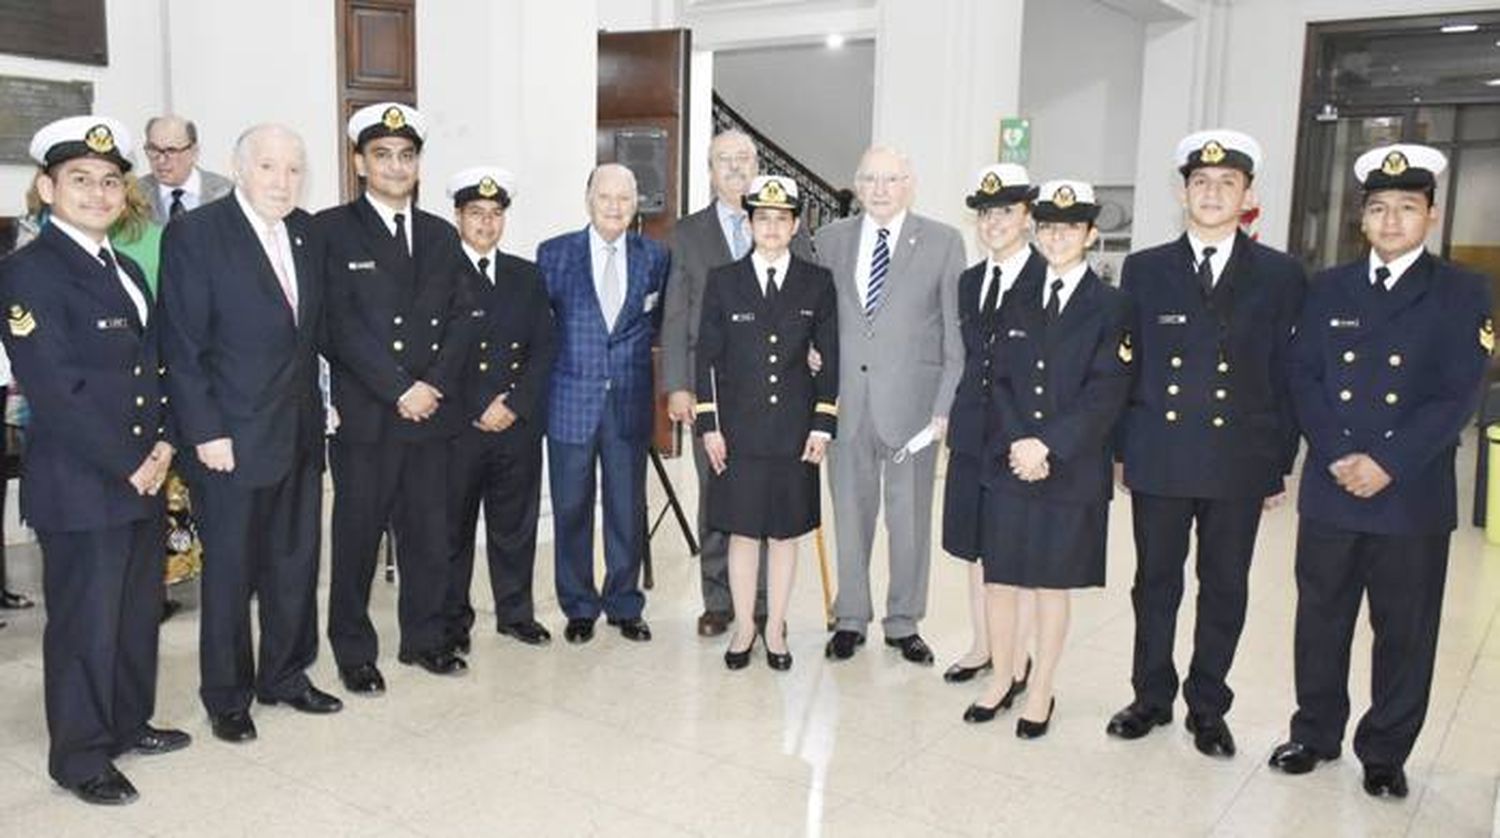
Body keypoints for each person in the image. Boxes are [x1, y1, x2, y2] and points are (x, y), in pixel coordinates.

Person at [1269, 144, 1490, 800]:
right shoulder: (1329, 286)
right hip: (1334, 486)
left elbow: (1458, 394)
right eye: (1378, 209)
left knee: (1405, 629)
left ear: (1431, 214)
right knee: (1321, 618)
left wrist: (1387, 462)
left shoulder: (1462, 290)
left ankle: (1387, 750)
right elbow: (1302, 374)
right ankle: (1315, 732)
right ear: (1361, 219)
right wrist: (1337, 452)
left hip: (1410, 492)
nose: (1391, 221)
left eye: (1406, 208)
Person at [0, 115, 190, 804]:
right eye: (80, 180)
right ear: (47, 188)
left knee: (137, 612)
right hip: (84, 482)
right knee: (84, 624)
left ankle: (129, 722)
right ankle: (80, 757)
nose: (98, 193)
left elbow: (154, 368)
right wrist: (131, 462)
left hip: (140, 472)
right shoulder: (27, 272)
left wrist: (166, 440)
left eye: (110, 181)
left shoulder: (127, 264)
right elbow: (57, 389)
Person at [1106, 131, 1306, 758]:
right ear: (1183, 192)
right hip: (1160, 453)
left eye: (1227, 183)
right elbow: (1125, 365)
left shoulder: (1280, 274)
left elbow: (1289, 374)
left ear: (1248, 194)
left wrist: (1279, 462)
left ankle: (1209, 704)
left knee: (1225, 585)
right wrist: (1121, 448)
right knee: (1156, 582)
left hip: (1239, 459)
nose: (1213, 193)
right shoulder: (1146, 268)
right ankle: (1151, 695)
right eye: (1200, 183)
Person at [160, 124, 343, 744]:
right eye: (269, 167)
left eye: (293, 169)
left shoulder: (306, 232)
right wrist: (206, 430)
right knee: (232, 574)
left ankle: (287, 675)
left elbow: (314, 338)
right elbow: (181, 346)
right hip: (229, 441)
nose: (282, 181)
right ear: (240, 170)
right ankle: (228, 696)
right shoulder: (198, 233)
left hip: (298, 434)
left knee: (295, 562)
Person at [963, 180, 1133, 738]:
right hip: (1010, 460)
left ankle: (1041, 689)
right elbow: (1001, 379)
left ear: (1089, 234)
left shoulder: (1111, 305)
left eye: (1070, 228)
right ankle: (1003, 677)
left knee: (1049, 583)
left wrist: (1048, 445)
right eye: (1049, 227)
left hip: (1070, 466)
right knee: (1001, 579)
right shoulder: (1016, 295)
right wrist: (1019, 442)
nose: (1057, 237)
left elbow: (1107, 390)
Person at [319, 102, 472, 694]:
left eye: (406, 156)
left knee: (429, 535)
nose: (395, 166)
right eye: (382, 155)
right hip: (367, 418)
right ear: (360, 162)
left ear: (418, 164)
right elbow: (336, 324)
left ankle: (425, 639)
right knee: (356, 539)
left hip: (430, 417)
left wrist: (430, 386)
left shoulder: (439, 233)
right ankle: (354, 652)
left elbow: (462, 320)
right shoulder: (331, 230)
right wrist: (399, 388)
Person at [813, 145, 965, 665]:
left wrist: (944, 407)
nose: (880, 189)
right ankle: (850, 617)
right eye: (870, 179)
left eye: (891, 179)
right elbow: (815, 320)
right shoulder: (828, 241)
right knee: (849, 517)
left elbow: (954, 337)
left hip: (914, 412)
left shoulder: (943, 242)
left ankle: (904, 622)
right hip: (847, 407)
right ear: (856, 184)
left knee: (909, 520)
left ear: (910, 184)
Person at [662, 130, 810, 637]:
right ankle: (719, 599)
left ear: (756, 164)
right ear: (709, 168)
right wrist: (678, 385)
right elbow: (676, 312)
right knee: (717, 492)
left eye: (744, 159)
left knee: (771, 496)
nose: (735, 168)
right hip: (715, 390)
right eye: (724, 160)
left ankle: (765, 602)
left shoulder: (785, 224)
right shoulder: (688, 233)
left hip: (775, 394)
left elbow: (808, 295)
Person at [693, 175, 838, 671]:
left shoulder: (817, 283)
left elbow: (830, 358)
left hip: (794, 432)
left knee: (783, 533)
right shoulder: (724, 280)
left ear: (795, 224)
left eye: (781, 219)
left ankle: (775, 625)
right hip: (738, 432)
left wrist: (823, 424)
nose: (772, 228)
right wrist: (709, 425)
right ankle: (743, 625)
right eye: (762, 219)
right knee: (742, 533)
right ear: (750, 223)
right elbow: (706, 358)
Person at [537, 163, 669, 644]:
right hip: (570, 401)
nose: (614, 206)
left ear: (637, 204)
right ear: (588, 198)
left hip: (629, 403)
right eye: (605, 196)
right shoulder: (554, 255)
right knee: (571, 507)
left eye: (624, 198)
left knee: (626, 508)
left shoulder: (655, 257)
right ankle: (578, 605)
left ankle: (624, 603)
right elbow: (541, 330)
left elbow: (656, 326)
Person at [442, 166, 556, 653]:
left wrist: (515, 403)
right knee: (455, 529)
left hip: (515, 424)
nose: (486, 224)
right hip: (459, 426)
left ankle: (515, 612)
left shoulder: (526, 275)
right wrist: (477, 405)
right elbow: (434, 354)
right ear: (458, 217)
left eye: (494, 214)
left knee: (515, 525)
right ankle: (452, 620)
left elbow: (545, 348)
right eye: (476, 214)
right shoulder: (438, 274)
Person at [942, 164, 1045, 689]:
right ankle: (982, 645)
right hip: (971, 430)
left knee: (1016, 551)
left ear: (1027, 217)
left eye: (1005, 211)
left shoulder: (1047, 277)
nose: (993, 222)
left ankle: (1019, 657)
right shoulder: (970, 281)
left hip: (1020, 436)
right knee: (975, 545)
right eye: (985, 214)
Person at [138, 115, 233, 225]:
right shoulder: (134, 195)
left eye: (171, 151)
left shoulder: (226, 192)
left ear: (194, 152)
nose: (161, 160)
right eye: (153, 149)